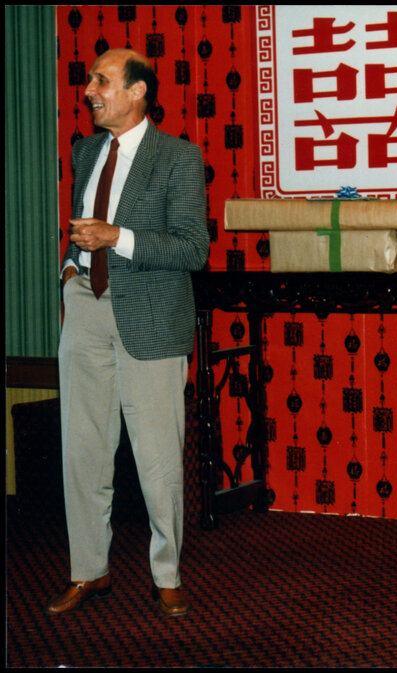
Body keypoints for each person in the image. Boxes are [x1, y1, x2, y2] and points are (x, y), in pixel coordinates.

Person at [45, 48, 209, 618]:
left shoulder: (178, 158)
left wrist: (118, 237)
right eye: (91, 80)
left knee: (158, 459)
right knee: (83, 452)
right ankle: (89, 571)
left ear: (138, 91)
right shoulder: (86, 151)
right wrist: (70, 271)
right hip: (85, 308)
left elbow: (193, 249)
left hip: (151, 318)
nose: (89, 90)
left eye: (102, 81)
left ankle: (168, 574)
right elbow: (79, 228)